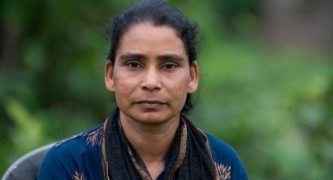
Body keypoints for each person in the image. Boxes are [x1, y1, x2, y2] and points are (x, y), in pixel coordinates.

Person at [37, 0, 248, 179]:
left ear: (192, 77)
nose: (151, 82)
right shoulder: (69, 163)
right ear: (110, 75)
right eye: (134, 64)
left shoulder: (222, 165)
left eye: (169, 66)